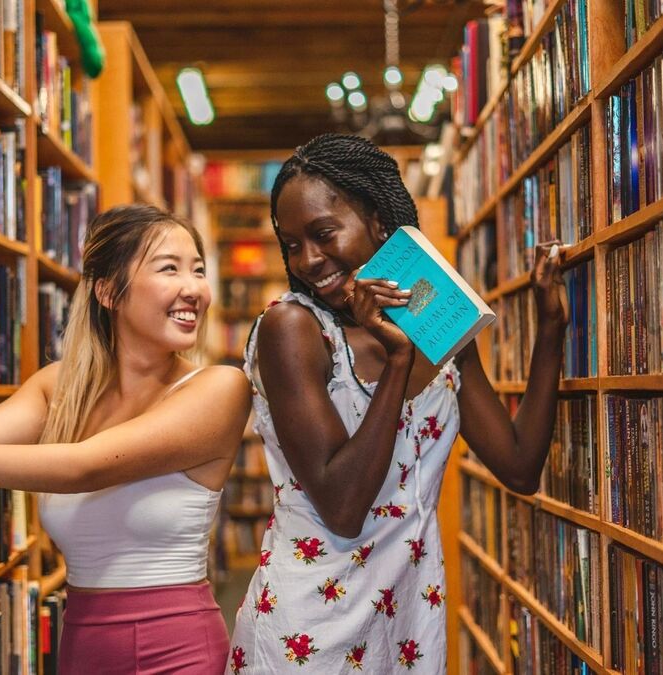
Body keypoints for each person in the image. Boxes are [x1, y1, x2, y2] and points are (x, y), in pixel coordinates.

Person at [227, 134, 567, 673]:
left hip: (407, 623)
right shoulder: (292, 329)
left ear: (380, 223)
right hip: (309, 631)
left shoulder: (441, 321)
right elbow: (343, 507)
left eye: (323, 234)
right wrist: (398, 359)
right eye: (291, 244)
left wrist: (552, 329)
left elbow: (521, 466)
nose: (308, 260)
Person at [0, 205, 251, 674]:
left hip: (177, 650)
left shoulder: (219, 389)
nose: (194, 288)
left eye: (198, 271)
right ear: (108, 291)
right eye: (170, 268)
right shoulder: (61, 389)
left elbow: (84, 468)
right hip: (81, 645)